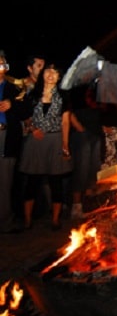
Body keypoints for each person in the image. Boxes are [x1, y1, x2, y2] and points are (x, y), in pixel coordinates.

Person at [19, 63, 72, 230]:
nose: (51, 75)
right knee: (32, 182)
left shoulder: (63, 96)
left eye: (55, 72)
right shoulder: (32, 94)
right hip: (36, 141)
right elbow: (25, 116)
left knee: (55, 181)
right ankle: (27, 220)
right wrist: (32, 128)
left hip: (55, 139)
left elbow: (65, 122)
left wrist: (65, 145)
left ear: (59, 77)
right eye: (48, 71)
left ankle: (55, 219)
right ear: (43, 74)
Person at [0, 52, 29, 233]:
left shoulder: (14, 88)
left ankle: (5, 222)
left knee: (4, 182)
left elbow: (26, 110)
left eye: (1, 62)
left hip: (6, 138)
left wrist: (12, 105)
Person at [68, 83, 104, 219]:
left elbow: (102, 107)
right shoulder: (76, 84)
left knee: (93, 168)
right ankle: (76, 206)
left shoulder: (97, 86)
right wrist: (78, 127)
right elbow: (67, 108)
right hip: (81, 133)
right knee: (81, 169)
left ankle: (88, 204)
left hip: (96, 131)